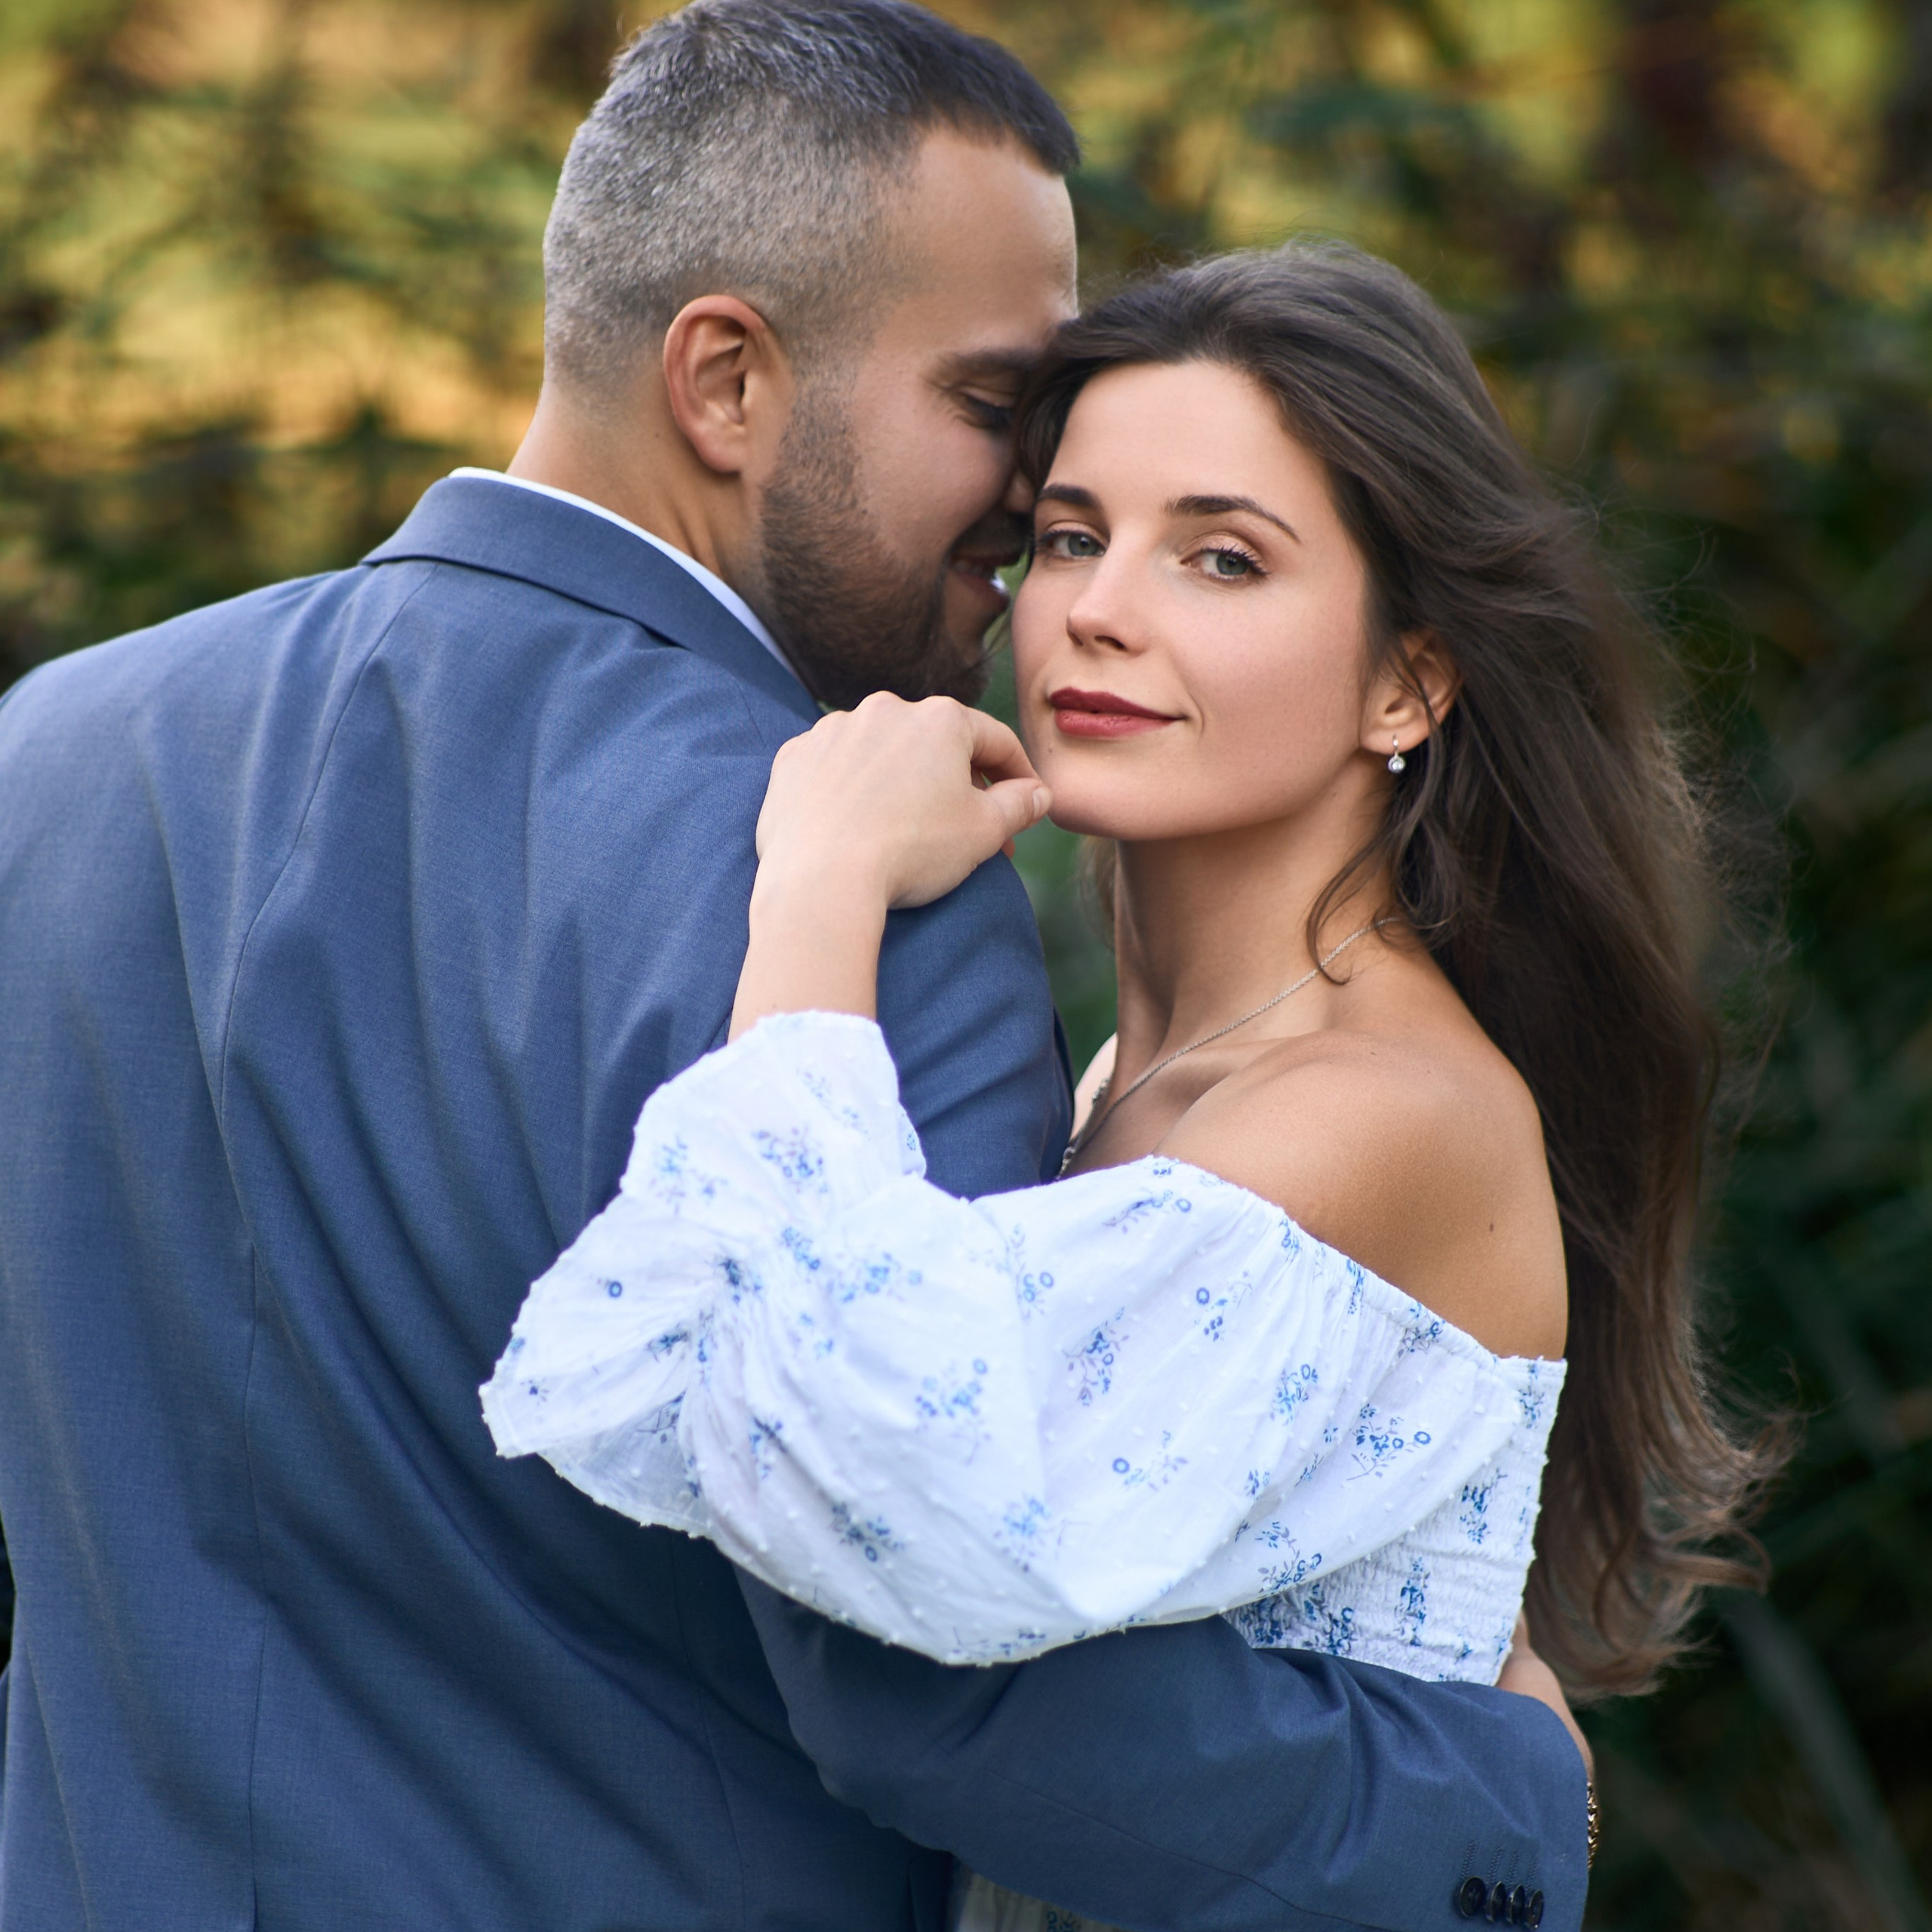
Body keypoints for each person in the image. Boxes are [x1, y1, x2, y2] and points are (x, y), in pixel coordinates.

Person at [0, 7, 1590, 1930]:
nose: (1036, 534)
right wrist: (1487, 1798)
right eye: (1006, 419)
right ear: (729, 382)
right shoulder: (848, 880)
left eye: (1208, 551)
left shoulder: (53, 754)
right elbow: (925, 1660)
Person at [485, 244, 1773, 1929]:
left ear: (1408, 678)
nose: (1095, 604)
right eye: (1071, 535)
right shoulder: (1136, 1077)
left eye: (1220, 557)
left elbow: (865, 1473)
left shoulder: (1375, 1107)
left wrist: (816, 886)